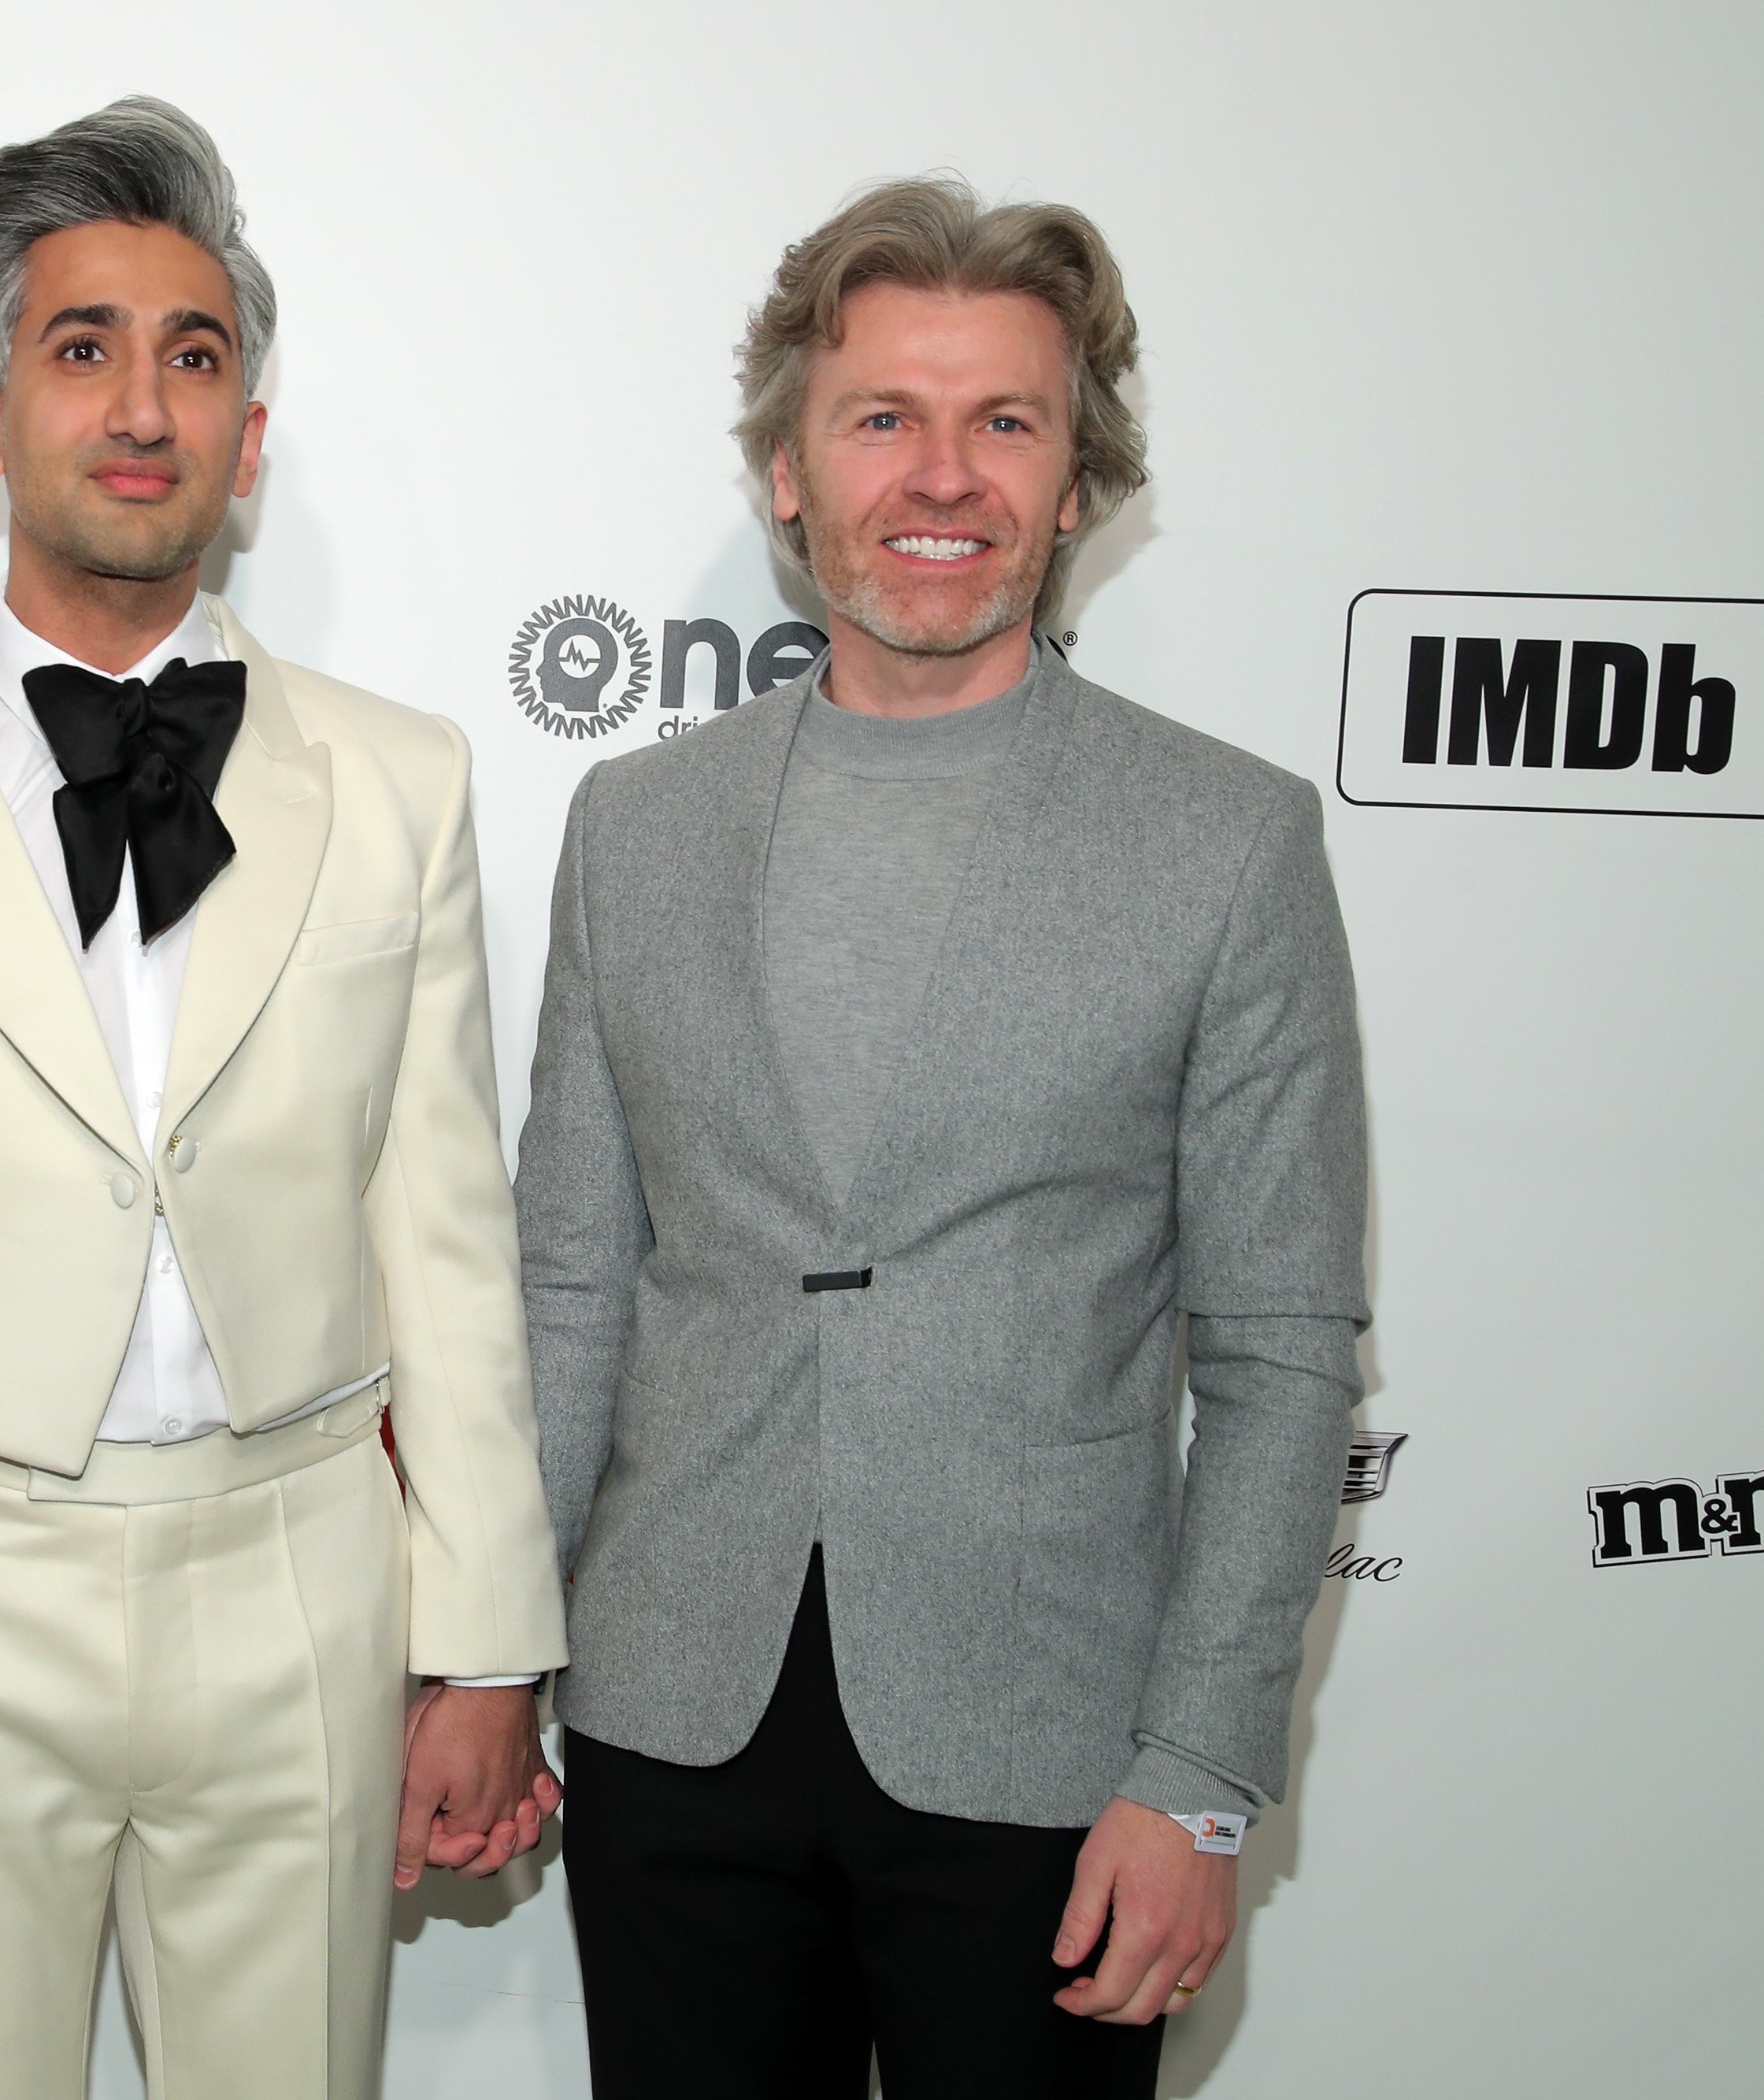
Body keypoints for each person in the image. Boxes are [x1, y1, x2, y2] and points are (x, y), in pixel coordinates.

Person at [0, 98, 565, 2098]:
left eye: (192, 353)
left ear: (249, 439)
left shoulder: (400, 781)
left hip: (300, 1572)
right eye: (80, 347)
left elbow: (447, 1241)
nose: (139, 403)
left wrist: (491, 1635)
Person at [514, 176, 1369, 2098]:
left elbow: (1278, 1347)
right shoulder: (630, 828)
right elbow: (570, 1277)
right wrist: (490, 1656)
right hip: (669, 1712)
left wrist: (1203, 1777)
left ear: (1079, 484)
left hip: (1052, 1745)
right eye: (881, 415)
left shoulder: (1223, 843)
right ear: (784, 470)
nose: (942, 475)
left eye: (1006, 421)